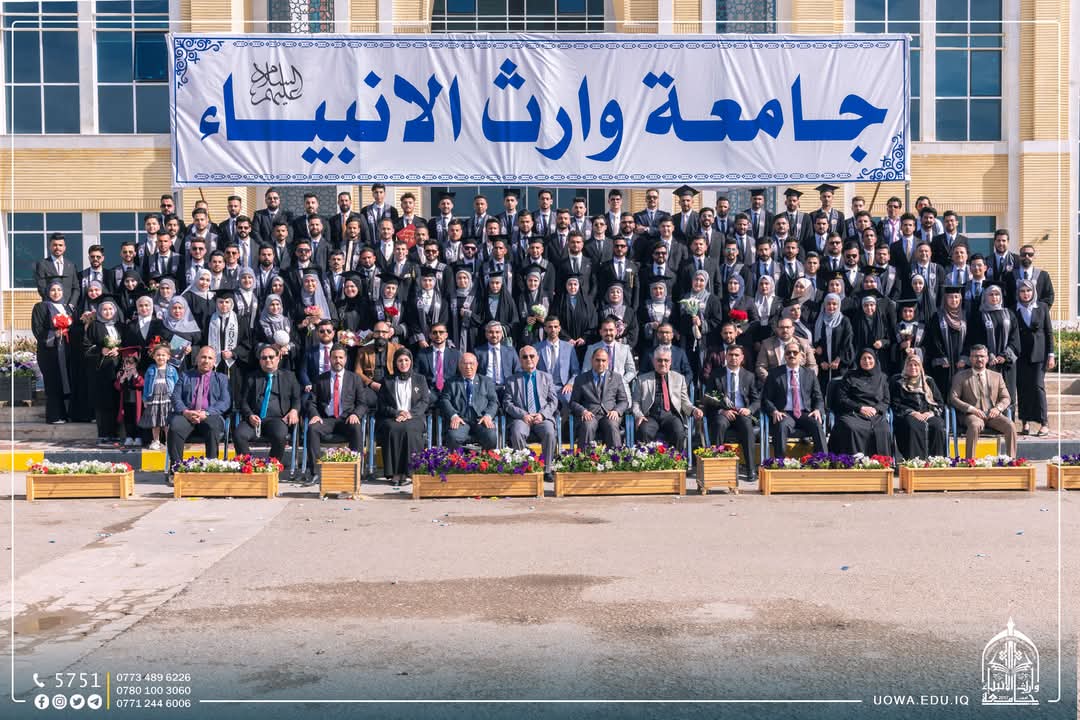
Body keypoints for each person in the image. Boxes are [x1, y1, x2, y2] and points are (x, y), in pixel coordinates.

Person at [304, 345, 369, 479]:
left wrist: (356, 414)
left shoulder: (355, 379)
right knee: (312, 429)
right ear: (330, 359)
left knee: (356, 428)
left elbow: (362, 403)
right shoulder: (320, 379)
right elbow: (311, 402)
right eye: (335, 357)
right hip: (326, 419)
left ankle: (355, 472)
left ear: (345, 359)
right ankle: (316, 472)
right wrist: (314, 415)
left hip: (347, 419)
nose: (337, 360)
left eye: (340, 357)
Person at [168, 346, 231, 474]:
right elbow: (175, 397)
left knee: (213, 427)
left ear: (214, 362)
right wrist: (185, 412)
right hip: (187, 415)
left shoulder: (222, 378)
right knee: (175, 427)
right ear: (197, 359)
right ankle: (176, 469)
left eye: (210, 358)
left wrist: (206, 413)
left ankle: (211, 468)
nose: (206, 361)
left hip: (210, 415)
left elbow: (225, 401)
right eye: (203, 357)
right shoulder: (185, 375)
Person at [234, 344, 302, 464]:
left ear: (278, 358)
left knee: (280, 435)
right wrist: (249, 415)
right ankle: (248, 465)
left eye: (271, 357)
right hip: (254, 420)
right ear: (260, 361)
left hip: (277, 420)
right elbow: (243, 402)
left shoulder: (289, 377)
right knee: (239, 434)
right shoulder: (251, 377)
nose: (268, 360)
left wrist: (294, 410)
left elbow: (297, 399)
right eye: (264, 358)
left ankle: (271, 466)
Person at [701, 345, 759, 480]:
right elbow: (708, 397)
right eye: (731, 355)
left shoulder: (749, 376)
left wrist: (749, 409)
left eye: (737, 355)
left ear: (742, 358)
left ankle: (751, 469)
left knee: (747, 426)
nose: (733, 358)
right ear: (726, 357)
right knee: (719, 424)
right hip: (723, 413)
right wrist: (721, 410)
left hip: (741, 412)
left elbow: (757, 400)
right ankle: (717, 467)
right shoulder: (716, 374)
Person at [503, 345, 560, 482]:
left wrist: (542, 415)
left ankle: (547, 469)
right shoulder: (511, 380)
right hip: (522, 418)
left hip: (542, 417)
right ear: (520, 360)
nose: (528, 359)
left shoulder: (546, 377)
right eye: (525, 357)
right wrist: (523, 415)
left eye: (532, 356)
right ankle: (525, 467)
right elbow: (507, 404)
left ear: (537, 358)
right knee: (517, 432)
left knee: (549, 432)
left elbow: (553, 401)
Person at [950, 344, 1017, 458]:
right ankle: (970, 462)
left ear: (987, 358)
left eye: (982, 356)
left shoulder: (997, 376)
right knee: (975, 425)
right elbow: (953, 398)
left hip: (992, 414)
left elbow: (1006, 398)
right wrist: (971, 409)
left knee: (1010, 425)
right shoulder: (960, 376)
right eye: (975, 356)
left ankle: (1011, 461)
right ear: (970, 358)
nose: (979, 359)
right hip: (971, 415)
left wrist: (998, 408)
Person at [376, 348, 431, 486]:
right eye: (400, 360)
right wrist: (397, 413)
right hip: (393, 417)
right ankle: (395, 473)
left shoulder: (420, 379)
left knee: (409, 429)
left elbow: (425, 401)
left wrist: (409, 414)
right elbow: (382, 404)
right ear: (395, 363)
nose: (403, 363)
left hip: (414, 417)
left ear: (411, 362)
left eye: (406, 360)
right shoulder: (387, 380)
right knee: (392, 429)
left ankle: (410, 472)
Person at [761, 341, 826, 457]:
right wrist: (774, 411)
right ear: (784, 355)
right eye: (788, 353)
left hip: (805, 413)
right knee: (781, 426)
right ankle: (780, 462)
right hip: (784, 413)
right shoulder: (774, 374)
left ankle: (822, 460)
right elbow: (766, 398)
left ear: (801, 355)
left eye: (795, 352)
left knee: (817, 424)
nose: (791, 355)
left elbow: (818, 397)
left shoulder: (810, 374)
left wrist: (817, 409)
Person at [827, 349, 892, 457]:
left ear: (875, 359)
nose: (867, 361)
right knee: (851, 428)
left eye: (869, 358)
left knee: (883, 430)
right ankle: (854, 462)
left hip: (875, 414)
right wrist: (860, 408)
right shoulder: (850, 376)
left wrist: (876, 409)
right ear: (859, 360)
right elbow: (842, 398)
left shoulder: (882, 377)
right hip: (853, 412)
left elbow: (886, 400)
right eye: (863, 358)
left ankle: (881, 462)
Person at [631, 348, 702, 448]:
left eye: (666, 360)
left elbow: (685, 402)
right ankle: (646, 457)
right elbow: (635, 402)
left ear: (670, 362)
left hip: (671, 416)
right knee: (644, 431)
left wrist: (694, 410)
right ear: (654, 361)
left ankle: (677, 457)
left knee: (678, 432)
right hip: (650, 416)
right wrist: (639, 415)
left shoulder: (679, 378)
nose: (663, 363)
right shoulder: (642, 379)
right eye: (659, 360)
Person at [968, 283, 1019, 409]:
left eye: (997, 294)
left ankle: (1008, 419)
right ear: (985, 296)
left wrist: (1004, 356)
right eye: (991, 294)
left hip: (1006, 363)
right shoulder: (979, 316)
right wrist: (989, 356)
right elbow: (977, 338)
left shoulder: (1009, 314)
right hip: (988, 363)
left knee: (1008, 394)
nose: (994, 297)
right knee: (988, 393)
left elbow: (1015, 338)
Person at [30, 278, 75, 424]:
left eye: (59, 290)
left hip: (66, 350)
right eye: (53, 290)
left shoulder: (67, 308)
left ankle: (66, 414)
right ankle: (54, 416)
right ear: (47, 292)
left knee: (66, 381)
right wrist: (53, 334)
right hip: (50, 352)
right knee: (53, 382)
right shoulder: (40, 307)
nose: (56, 293)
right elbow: (37, 329)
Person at [1015, 279, 1054, 436]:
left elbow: (1049, 332)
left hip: (1039, 354)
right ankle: (1025, 422)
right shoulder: (1014, 309)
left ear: (1033, 292)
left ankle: (1044, 422)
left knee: (1038, 387)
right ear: (1018, 293)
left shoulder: (1042, 307)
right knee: (1023, 388)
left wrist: (1051, 354)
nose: (1026, 294)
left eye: (1028, 291)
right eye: (1022, 291)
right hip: (1021, 355)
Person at [890, 353, 947, 460]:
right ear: (905, 366)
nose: (913, 367)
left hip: (928, 413)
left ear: (920, 367)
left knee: (937, 425)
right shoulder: (899, 383)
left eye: (916, 365)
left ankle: (936, 460)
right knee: (913, 425)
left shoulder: (929, 381)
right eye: (910, 365)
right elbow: (895, 404)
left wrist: (930, 413)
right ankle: (916, 460)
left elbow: (939, 402)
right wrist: (912, 413)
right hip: (908, 415)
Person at [84, 295, 124, 444]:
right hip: (101, 371)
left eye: (110, 309)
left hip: (118, 369)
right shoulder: (95, 326)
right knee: (103, 402)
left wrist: (119, 350)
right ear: (100, 311)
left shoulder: (120, 326)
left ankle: (116, 433)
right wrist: (101, 350)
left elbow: (126, 343)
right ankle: (104, 434)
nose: (108, 312)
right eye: (104, 309)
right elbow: (86, 347)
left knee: (116, 401)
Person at [569, 347, 628, 448]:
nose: (600, 363)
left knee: (612, 425)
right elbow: (573, 402)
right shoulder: (581, 379)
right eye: (597, 360)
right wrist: (583, 411)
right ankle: (584, 457)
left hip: (609, 414)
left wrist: (616, 411)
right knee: (587, 426)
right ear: (592, 360)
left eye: (603, 360)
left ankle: (616, 457)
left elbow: (624, 401)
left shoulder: (616, 378)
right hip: (590, 415)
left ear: (608, 362)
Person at [438, 353, 500, 449]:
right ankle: (456, 459)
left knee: (491, 437)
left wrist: (488, 415)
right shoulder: (451, 382)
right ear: (459, 365)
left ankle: (486, 458)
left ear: (477, 365)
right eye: (465, 363)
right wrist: (453, 416)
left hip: (481, 420)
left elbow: (494, 401)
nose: (468, 367)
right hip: (461, 420)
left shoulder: (486, 381)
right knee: (453, 437)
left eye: (471, 363)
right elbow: (444, 400)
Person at [139, 343, 178, 450]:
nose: (161, 357)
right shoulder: (150, 370)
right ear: (154, 356)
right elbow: (146, 384)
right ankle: (156, 441)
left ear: (168, 357)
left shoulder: (172, 370)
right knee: (155, 421)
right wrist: (145, 399)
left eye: (163, 355)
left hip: (168, 399)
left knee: (167, 421)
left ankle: (168, 441)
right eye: (158, 355)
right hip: (154, 399)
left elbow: (177, 384)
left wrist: (177, 399)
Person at [356, 322, 401, 392]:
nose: (380, 335)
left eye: (384, 332)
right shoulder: (363, 351)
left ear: (389, 334)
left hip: (393, 386)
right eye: (377, 332)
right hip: (370, 388)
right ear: (373, 334)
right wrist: (370, 383)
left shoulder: (398, 349)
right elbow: (357, 372)